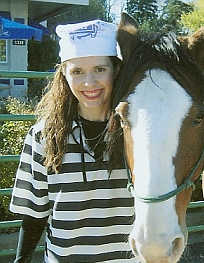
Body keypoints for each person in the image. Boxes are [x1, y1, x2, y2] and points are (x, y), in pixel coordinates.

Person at [10, 20, 136, 263]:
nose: (89, 83)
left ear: (116, 70)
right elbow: (35, 214)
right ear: (64, 76)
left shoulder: (138, 131)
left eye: (100, 69)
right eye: (77, 71)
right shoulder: (44, 135)